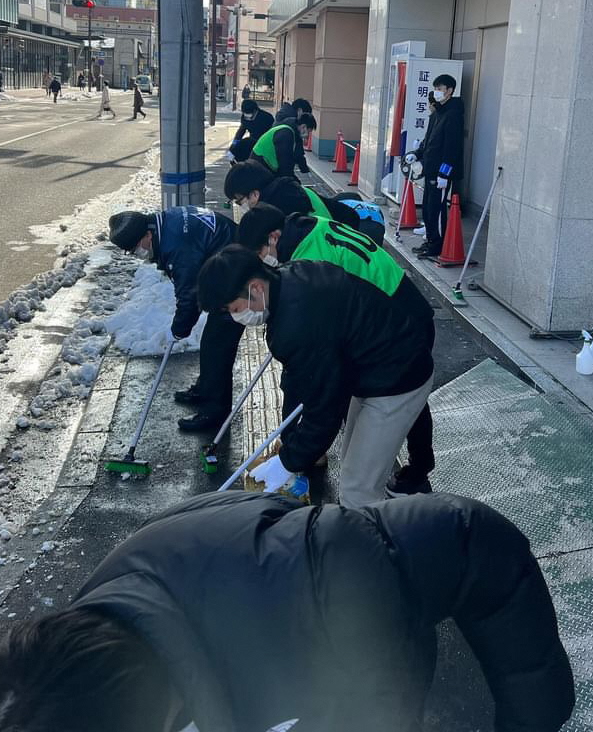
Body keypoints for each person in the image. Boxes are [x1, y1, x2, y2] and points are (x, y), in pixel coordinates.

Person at [0, 491, 574, 732]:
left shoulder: (322, 580)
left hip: (381, 665)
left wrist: (531, 730)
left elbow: (472, 539)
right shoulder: (82, 676)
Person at [198, 247, 435, 507]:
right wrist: (291, 447)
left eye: (236, 307)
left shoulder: (299, 322)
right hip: (373, 369)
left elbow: (325, 407)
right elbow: (304, 380)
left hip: (399, 376)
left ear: (255, 288)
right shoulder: (288, 280)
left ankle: (376, 543)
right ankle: (374, 524)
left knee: (358, 488)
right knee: (352, 464)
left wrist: (288, 461)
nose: (236, 316)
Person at [238, 204, 436, 494]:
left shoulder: (307, 264)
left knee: (401, 399)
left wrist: (298, 448)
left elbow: (320, 378)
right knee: (394, 403)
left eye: (258, 254)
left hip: (399, 318)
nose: (261, 262)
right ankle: (406, 469)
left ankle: (416, 472)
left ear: (274, 238)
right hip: (390, 311)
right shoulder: (307, 227)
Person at [108, 209, 242, 433]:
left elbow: (190, 293)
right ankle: (205, 389)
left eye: (134, 248)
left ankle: (214, 413)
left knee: (217, 345)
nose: (137, 254)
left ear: (147, 235)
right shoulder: (165, 225)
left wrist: (179, 328)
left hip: (237, 276)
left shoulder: (176, 244)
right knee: (212, 342)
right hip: (226, 263)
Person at [224, 160, 384, 243]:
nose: (241, 207)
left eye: (239, 201)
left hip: (358, 236)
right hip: (352, 226)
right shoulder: (290, 189)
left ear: (254, 194)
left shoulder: (276, 215)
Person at [407, 74, 465, 260]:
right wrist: (416, 154)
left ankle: (438, 245)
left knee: (437, 209)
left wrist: (444, 173)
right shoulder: (438, 113)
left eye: (440, 89)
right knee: (427, 207)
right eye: (436, 88)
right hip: (430, 168)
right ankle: (431, 240)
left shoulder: (454, 115)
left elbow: (452, 148)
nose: (437, 92)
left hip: (441, 172)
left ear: (449, 90)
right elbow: (428, 140)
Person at [251, 115, 315, 179]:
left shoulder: (292, 130)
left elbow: (298, 154)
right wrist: (291, 180)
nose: (307, 136)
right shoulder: (286, 134)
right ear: (303, 127)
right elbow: (285, 163)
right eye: (308, 132)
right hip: (261, 165)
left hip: (263, 163)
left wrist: (305, 170)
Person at [227, 98, 273, 163]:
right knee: (238, 149)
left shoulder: (266, 117)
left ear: (255, 110)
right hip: (252, 142)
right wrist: (234, 144)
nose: (247, 115)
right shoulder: (244, 117)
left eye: (249, 113)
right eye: (245, 113)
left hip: (265, 142)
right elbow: (241, 131)